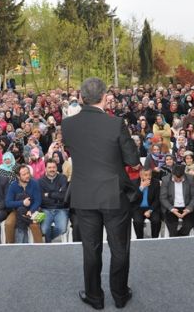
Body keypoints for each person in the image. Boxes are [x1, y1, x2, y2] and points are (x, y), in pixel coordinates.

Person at [62, 77, 140, 310]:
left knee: (91, 248)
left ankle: (95, 297)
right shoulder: (116, 124)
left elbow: (73, 150)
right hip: (113, 195)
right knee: (119, 248)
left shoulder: (67, 125)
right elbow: (134, 161)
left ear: (81, 98)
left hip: (84, 194)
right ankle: (119, 295)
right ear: (105, 97)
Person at [5, 164, 43, 243]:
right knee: (8, 223)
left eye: (28, 173)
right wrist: (22, 203)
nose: (27, 176)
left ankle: (40, 248)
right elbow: (8, 203)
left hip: (33, 209)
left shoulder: (34, 183)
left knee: (34, 225)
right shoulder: (13, 185)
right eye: (24, 174)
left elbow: (38, 201)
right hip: (17, 210)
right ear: (18, 176)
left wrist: (31, 211)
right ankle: (11, 246)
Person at [160, 164, 194, 237]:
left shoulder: (190, 179)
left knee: (188, 226)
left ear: (184, 175)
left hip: (186, 207)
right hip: (171, 207)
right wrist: (172, 209)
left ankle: (179, 237)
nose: (178, 180)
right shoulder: (166, 179)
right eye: (176, 179)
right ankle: (175, 240)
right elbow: (163, 198)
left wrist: (189, 208)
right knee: (172, 230)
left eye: (180, 179)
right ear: (172, 174)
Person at [39, 159, 69, 243]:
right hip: (46, 209)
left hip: (61, 209)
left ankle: (48, 238)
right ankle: (49, 237)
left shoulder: (62, 178)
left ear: (57, 168)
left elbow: (63, 196)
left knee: (62, 229)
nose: (52, 169)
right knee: (44, 230)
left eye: (54, 167)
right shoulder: (40, 181)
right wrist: (57, 195)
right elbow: (42, 199)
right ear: (45, 169)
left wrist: (48, 194)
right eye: (49, 167)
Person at [131, 167, 161, 239]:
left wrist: (150, 210)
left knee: (156, 220)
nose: (148, 177)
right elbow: (132, 198)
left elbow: (157, 199)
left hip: (151, 207)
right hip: (138, 208)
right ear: (141, 175)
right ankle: (140, 239)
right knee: (138, 221)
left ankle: (155, 239)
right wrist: (141, 187)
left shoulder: (155, 183)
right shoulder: (133, 183)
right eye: (146, 175)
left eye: (150, 175)